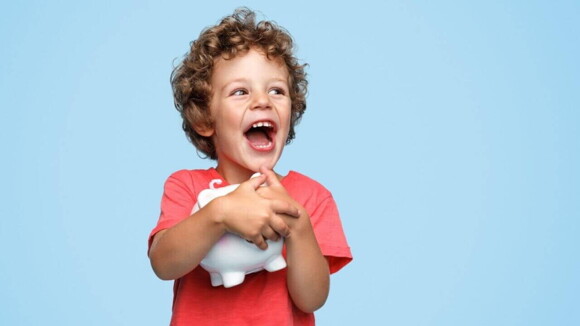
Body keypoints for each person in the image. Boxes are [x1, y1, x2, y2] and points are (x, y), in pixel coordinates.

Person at [148, 8, 352, 325]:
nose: (262, 101)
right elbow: (164, 264)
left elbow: (312, 299)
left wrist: (298, 228)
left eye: (276, 90)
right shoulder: (186, 186)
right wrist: (219, 214)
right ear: (204, 119)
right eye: (241, 91)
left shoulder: (311, 197)